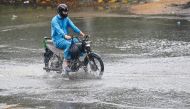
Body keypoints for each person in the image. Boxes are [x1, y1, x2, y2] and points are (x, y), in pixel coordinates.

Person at [51, 4, 85, 75]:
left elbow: (73, 26)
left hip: (66, 37)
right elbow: (58, 30)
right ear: (60, 12)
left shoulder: (66, 19)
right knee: (68, 44)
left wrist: (81, 33)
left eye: (67, 12)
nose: (66, 13)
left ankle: (75, 60)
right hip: (58, 40)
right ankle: (65, 63)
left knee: (78, 42)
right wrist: (65, 35)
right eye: (64, 12)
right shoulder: (54, 20)